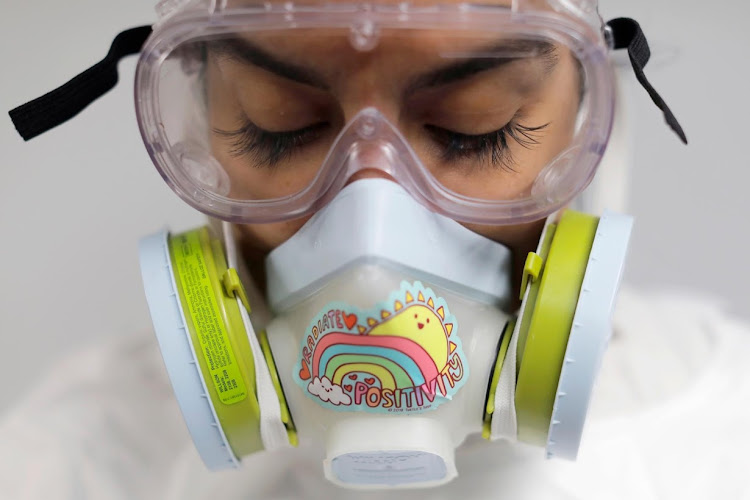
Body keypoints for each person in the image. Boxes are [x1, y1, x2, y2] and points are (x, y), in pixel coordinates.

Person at [4, 0, 749, 499]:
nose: (370, 235)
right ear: (204, 117)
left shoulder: (724, 436)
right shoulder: (70, 463)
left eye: (476, 128)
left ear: (595, 122)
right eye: (277, 124)